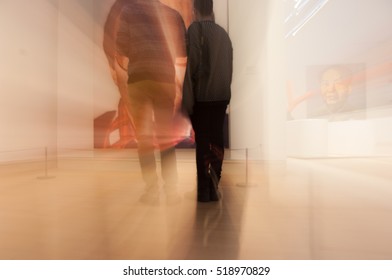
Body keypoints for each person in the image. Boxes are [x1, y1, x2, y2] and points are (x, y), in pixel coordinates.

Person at [116, 0, 187, 204]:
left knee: (145, 139)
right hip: (164, 80)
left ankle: (152, 191)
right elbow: (183, 50)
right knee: (165, 137)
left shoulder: (128, 11)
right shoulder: (172, 15)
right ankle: (172, 192)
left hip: (139, 81)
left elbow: (121, 47)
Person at [182, 0, 233, 202]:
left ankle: (204, 190)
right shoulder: (223, 34)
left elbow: (192, 65)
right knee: (217, 142)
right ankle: (214, 186)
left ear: (194, 10)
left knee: (203, 143)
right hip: (220, 96)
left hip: (202, 96)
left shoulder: (194, 30)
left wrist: (187, 99)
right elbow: (229, 68)